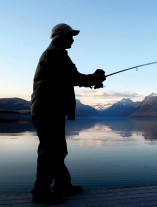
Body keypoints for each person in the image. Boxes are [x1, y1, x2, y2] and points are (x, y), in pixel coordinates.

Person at [30, 23, 106, 204]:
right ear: (59, 36)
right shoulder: (56, 53)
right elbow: (73, 78)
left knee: (57, 149)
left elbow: (70, 78)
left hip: (49, 108)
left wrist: (92, 79)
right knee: (50, 150)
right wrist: (93, 78)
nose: (72, 40)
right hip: (47, 109)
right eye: (70, 36)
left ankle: (62, 185)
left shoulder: (55, 54)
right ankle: (41, 192)